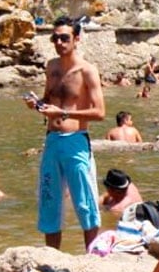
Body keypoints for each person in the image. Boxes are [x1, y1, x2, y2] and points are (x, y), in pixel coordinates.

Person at [23, 16, 106, 250]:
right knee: (49, 200)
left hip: (76, 142)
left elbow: (99, 112)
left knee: (85, 202)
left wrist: (65, 114)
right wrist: (37, 104)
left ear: (76, 39)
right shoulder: (51, 67)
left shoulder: (87, 71)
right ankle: (52, 255)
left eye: (64, 38)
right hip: (52, 141)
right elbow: (48, 99)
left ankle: (92, 256)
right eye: (55, 38)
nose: (59, 42)